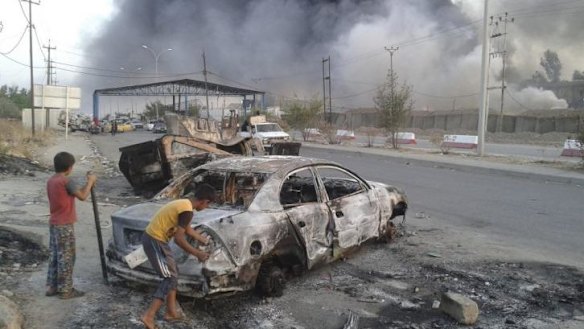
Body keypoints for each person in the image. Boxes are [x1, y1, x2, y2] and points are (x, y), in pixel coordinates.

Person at [140, 183, 215, 329]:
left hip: (157, 240)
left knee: (173, 273)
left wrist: (204, 240)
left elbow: (187, 230)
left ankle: (171, 312)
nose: (206, 208)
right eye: (208, 205)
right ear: (205, 201)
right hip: (155, 240)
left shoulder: (184, 205)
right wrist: (197, 253)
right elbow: (179, 239)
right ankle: (148, 316)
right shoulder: (187, 211)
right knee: (168, 278)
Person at [45, 152, 97, 299]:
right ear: (69, 167)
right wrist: (91, 181)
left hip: (54, 223)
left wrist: (86, 183)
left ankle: (52, 286)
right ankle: (66, 290)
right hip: (64, 225)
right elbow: (82, 196)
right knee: (67, 257)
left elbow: (72, 192)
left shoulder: (51, 180)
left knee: (55, 256)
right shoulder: (66, 181)